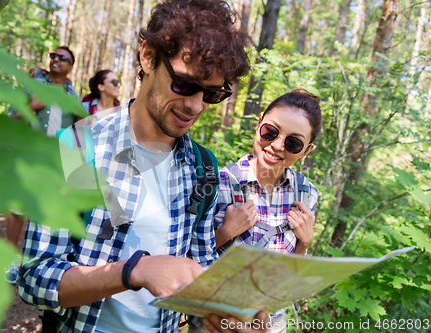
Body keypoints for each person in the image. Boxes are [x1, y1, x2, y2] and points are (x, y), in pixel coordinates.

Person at [17, 1, 271, 332]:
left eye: (211, 94)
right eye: (184, 84)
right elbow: (36, 278)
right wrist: (132, 272)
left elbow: (198, 270)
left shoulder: (203, 168)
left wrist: (224, 314)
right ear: (148, 56)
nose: (195, 105)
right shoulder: (78, 147)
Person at [209, 89, 322, 332]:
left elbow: (290, 274)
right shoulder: (218, 183)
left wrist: (305, 243)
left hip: (272, 322)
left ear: (307, 151)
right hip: (216, 319)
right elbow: (192, 259)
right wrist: (226, 232)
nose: (277, 145)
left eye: (293, 143)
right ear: (258, 123)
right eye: (270, 131)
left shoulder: (306, 193)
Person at [4, 46, 81, 283]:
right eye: (53, 56)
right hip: (28, 156)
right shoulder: (32, 86)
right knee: (18, 209)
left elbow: (79, 130)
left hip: (54, 162)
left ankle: (29, 264)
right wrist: (32, 107)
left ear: (70, 66)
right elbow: (9, 117)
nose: (55, 60)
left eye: (62, 58)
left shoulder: (72, 95)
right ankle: (7, 260)